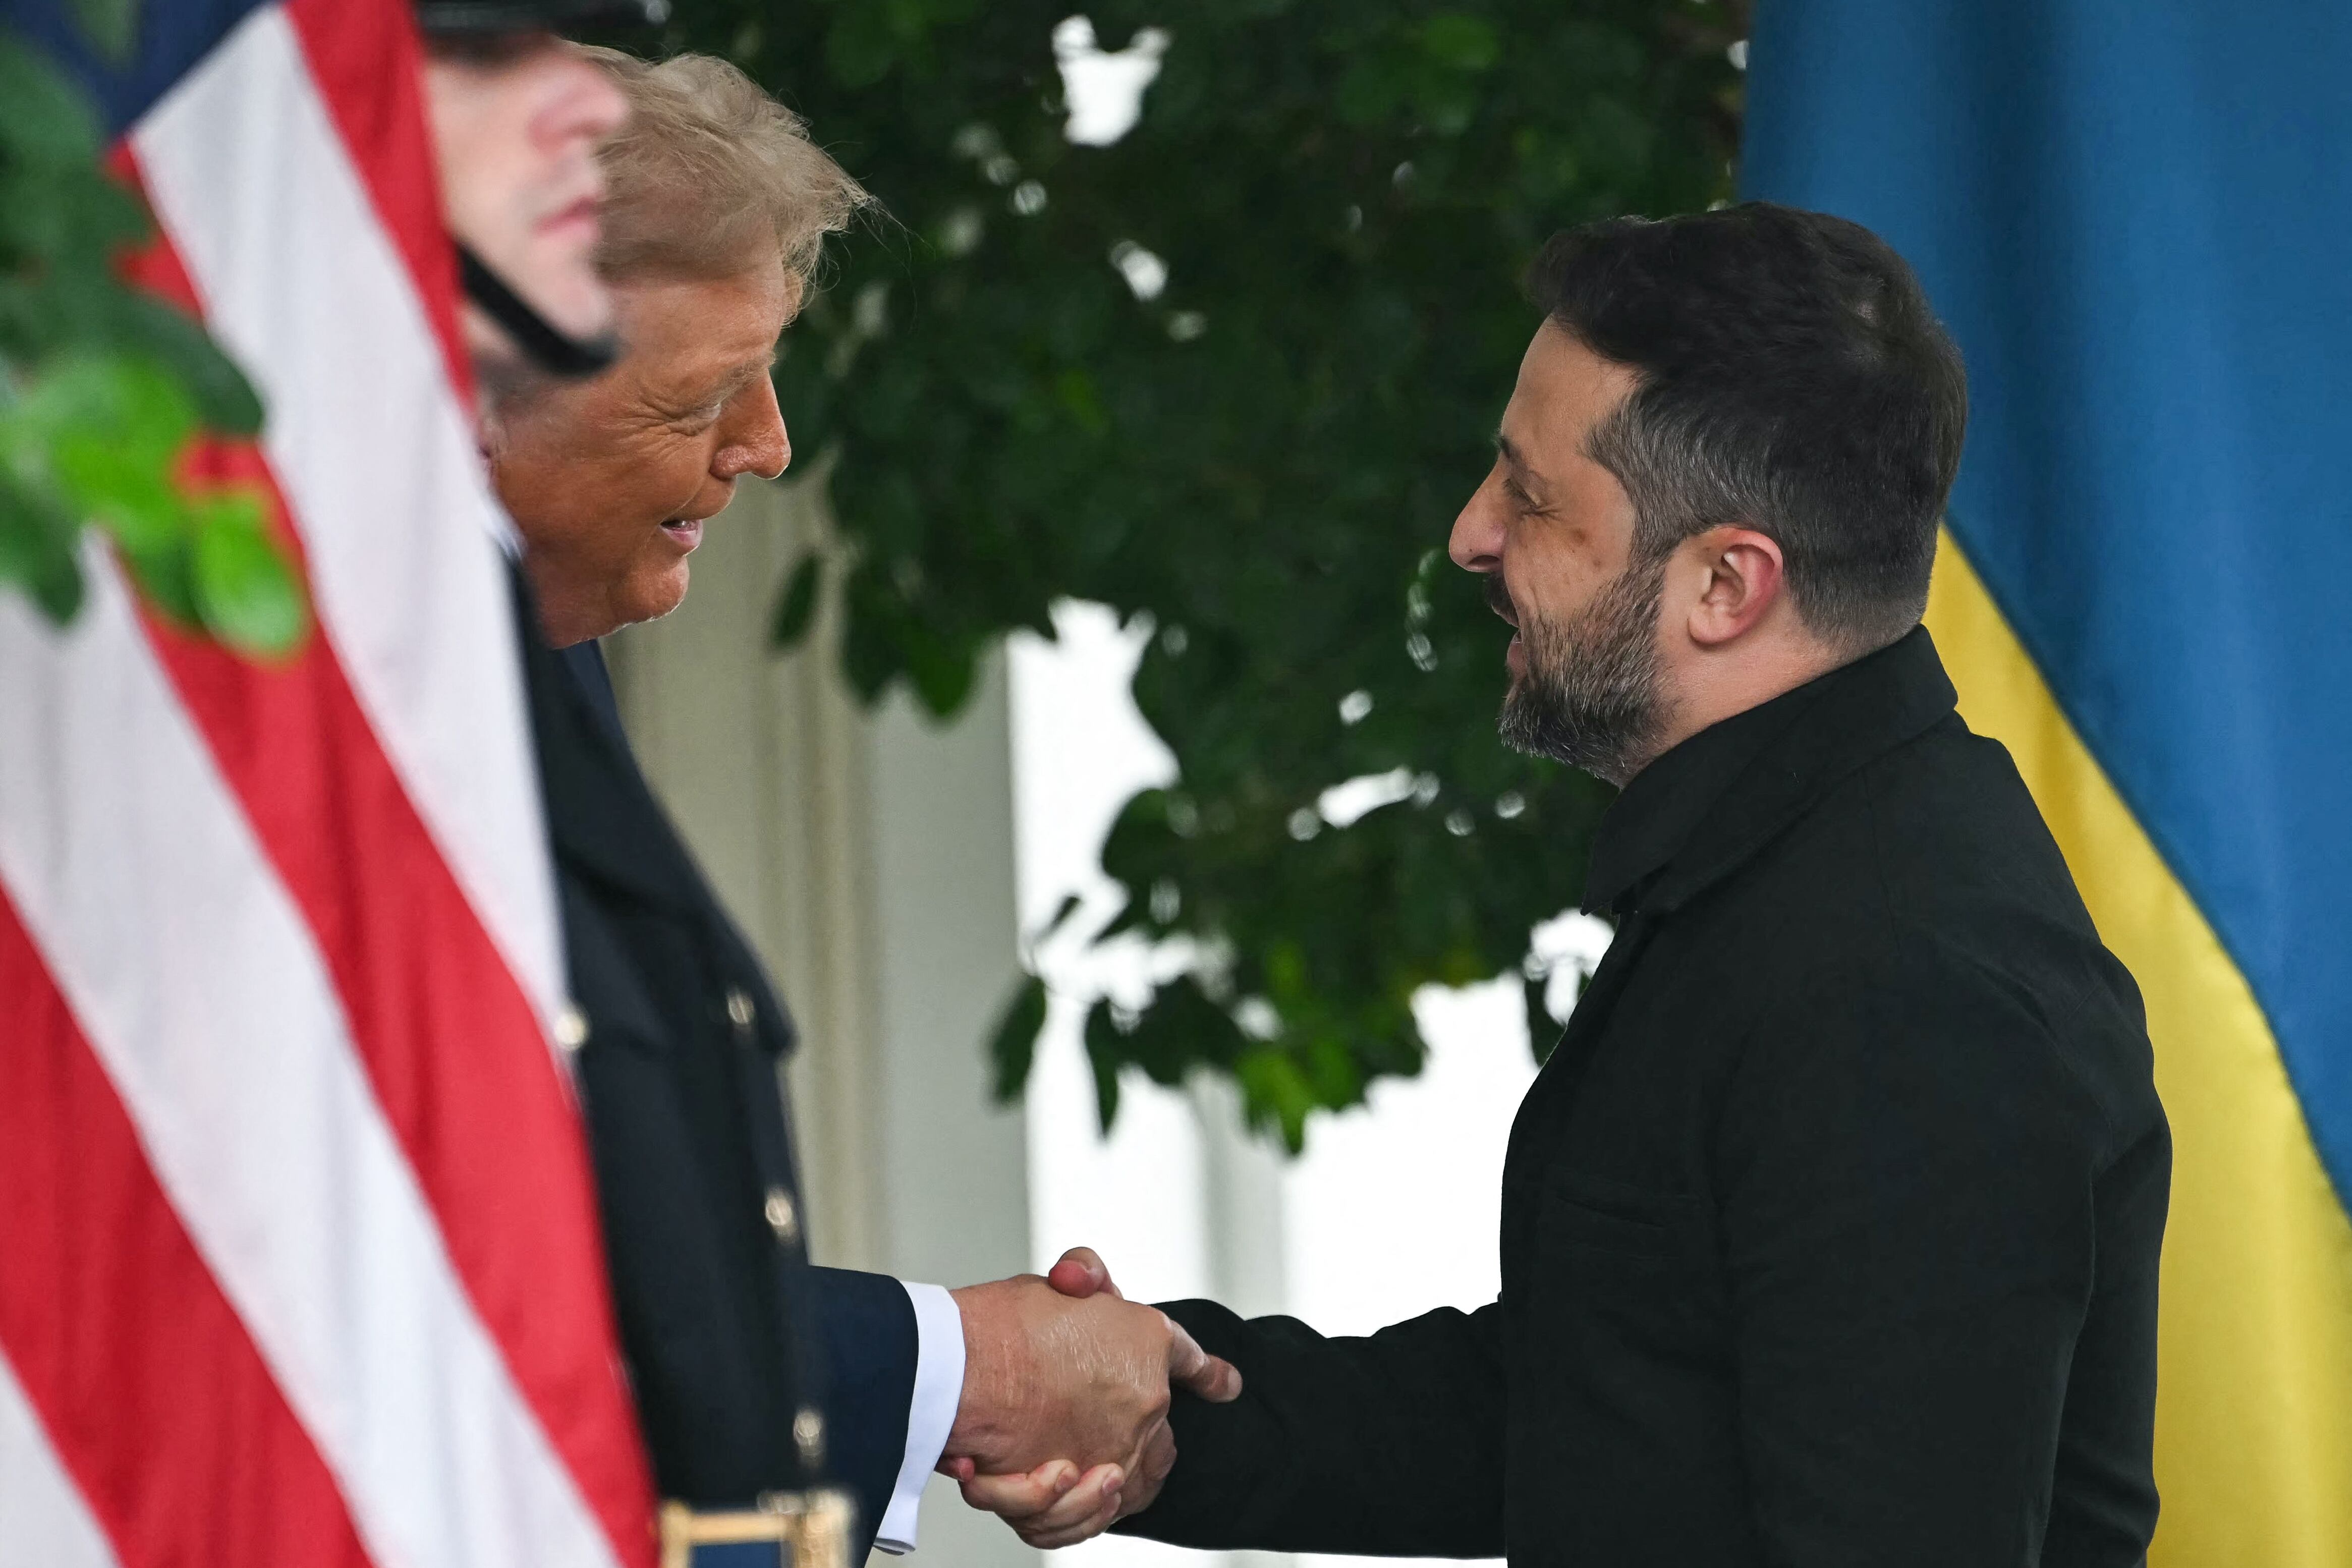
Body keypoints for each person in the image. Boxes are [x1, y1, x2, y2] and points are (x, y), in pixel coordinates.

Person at [964, 203, 2172, 1565]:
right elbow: (1583, 1412)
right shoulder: (1797, 869)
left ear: (1727, 583)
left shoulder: (1903, 980)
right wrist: (1160, 1410)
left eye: (1532, 497)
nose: (1474, 535)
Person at [481, 46, 1241, 1564]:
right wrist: (960, 1363)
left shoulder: (532, 658)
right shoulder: (284, 762)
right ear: (477, 393)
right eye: (702, 392)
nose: (765, 443)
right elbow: (431, 1274)